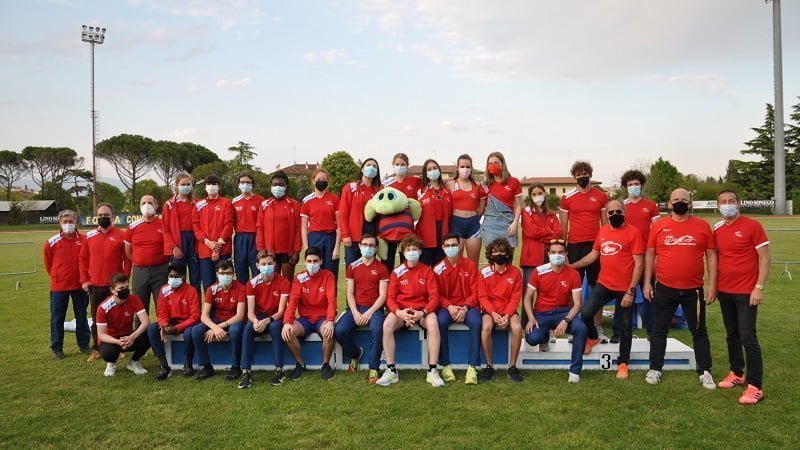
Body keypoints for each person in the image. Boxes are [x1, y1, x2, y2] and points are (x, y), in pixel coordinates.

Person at [644, 188, 717, 389]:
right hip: (665, 288)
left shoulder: (702, 226)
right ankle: (655, 368)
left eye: (683, 199)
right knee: (659, 330)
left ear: (690, 203)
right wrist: (647, 282)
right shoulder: (659, 226)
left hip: (694, 290)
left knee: (699, 330)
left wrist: (713, 284)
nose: (679, 203)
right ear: (669, 203)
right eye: (675, 199)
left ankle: (705, 371)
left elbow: (711, 255)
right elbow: (650, 254)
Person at [572, 200, 644, 379]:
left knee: (625, 327)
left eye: (618, 211)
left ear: (624, 212)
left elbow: (639, 264)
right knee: (586, 313)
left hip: (625, 288)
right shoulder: (603, 231)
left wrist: (631, 291)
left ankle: (623, 363)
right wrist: (572, 266)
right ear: (606, 214)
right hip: (604, 284)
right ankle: (593, 337)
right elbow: (593, 255)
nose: (614, 215)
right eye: (611, 212)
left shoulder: (634, 232)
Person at [713, 189, 770, 404]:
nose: (727, 204)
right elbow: (716, 259)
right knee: (732, 334)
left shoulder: (752, 226)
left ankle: (755, 386)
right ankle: (737, 372)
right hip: (725, 291)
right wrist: (714, 287)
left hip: (747, 292)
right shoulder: (717, 228)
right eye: (723, 201)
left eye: (731, 201)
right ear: (718, 205)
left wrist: (759, 287)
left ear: (738, 203)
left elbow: (765, 259)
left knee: (748, 337)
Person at [376, 234, 445, 388]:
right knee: (387, 325)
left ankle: (432, 371)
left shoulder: (427, 271)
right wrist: (399, 312)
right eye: (408, 249)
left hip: (422, 311)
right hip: (402, 311)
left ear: (420, 251)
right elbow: (390, 298)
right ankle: (391, 371)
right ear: (403, 252)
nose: (411, 252)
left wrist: (423, 312)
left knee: (433, 324)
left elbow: (434, 297)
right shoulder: (397, 272)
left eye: (414, 249)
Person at [523, 239, 587, 383]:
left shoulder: (573, 274)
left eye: (560, 252)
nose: (556, 255)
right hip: (541, 313)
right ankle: (545, 336)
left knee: (581, 329)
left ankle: (575, 371)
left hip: (563, 312)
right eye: (553, 252)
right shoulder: (539, 271)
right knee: (532, 339)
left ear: (566, 254)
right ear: (548, 254)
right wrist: (531, 318)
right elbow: (527, 297)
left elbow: (578, 304)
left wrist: (566, 321)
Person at [559, 161, 608, 341]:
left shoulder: (601, 196)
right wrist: (563, 249)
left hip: (595, 245)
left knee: (598, 287)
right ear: (574, 177)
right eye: (578, 174)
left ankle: (598, 326)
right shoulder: (567, 197)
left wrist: (604, 245)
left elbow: (605, 223)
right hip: (574, 246)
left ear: (590, 174)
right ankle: (575, 325)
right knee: (574, 287)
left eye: (585, 173)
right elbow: (564, 225)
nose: (582, 177)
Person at [334, 234, 389, 383]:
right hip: (355, 308)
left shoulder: (381, 268)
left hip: (374, 309)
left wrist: (369, 313)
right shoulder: (352, 266)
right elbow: (349, 293)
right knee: (339, 330)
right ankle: (355, 353)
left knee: (377, 330)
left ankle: (374, 368)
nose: (368, 248)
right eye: (365, 245)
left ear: (376, 248)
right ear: (359, 246)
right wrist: (355, 312)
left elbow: (383, 296)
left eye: (371, 245)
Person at [80, 202, 131, 361]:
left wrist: (125, 279)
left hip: (114, 287)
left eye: (106, 215)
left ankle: (120, 348)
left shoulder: (121, 235)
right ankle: (98, 348)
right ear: (97, 217)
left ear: (112, 216)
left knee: (117, 318)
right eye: (100, 215)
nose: (103, 217)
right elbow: (83, 259)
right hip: (95, 285)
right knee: (96, 318)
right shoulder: (89, 236)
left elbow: (127, 259)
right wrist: (85, 280)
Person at [281, 246, 337, 381]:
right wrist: (287, 322)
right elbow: (293, 302)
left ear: (321, 261)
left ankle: (326, 364)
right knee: (288, 332)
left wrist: (330, 320)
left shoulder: (328, 276)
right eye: (309, 261)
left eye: (315, 261)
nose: (312, 264)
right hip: (305, 319)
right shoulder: (299, 277)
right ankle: (300, 364)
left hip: (322, 318)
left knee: (328, 332)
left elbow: (331, 300)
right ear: (305, 262)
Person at [240, 251, 291, 389]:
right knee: (248, 329)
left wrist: (268, 320)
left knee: (274, 328)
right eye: (263, 264)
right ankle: (245, 371)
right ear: (257, 265)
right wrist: (255, 321)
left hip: (275, 317)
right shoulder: (251, 284)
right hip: (259, 317)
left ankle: (279, 370)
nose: (267, 266)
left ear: (275, 264)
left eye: (269, 263)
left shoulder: (283, 282)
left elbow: (281, 311)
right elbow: (250, 313)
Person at [433, 233, 481, 384]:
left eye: (454, 245)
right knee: (440, 322)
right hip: (447, 307)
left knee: (476, 322)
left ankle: (472, 367)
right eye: (447, 246)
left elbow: (476, 291)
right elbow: (435, 294)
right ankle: (445, 365)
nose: (451, 248)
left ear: (460, 246)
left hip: (468, 306)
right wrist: (449, 306)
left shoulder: (470, 265)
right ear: (443, 247)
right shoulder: (438, 268)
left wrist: (465, 307)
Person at [44, 209, 91, 359]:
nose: (68, 224)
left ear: (76, 222)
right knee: (57, 318)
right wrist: (58, 276)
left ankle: (84, 345)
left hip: (80, 285)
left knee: (81, 316)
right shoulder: (51, 242)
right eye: (65, 222)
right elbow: (48, 264)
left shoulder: (85, 239)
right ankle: (57, 349)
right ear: (60, 223)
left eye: (71, 221)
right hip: (59, 286)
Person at [477, 238, 525, 383]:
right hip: (490, 311)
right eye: (495, 252)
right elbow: (483, 297)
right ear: (490, 254)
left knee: (517, 328)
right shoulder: (483, 272)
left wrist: (507, 315)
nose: (499, 255)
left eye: (502, 252)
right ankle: (489, 366)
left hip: (508, 310)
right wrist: (493, 313)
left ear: (508, 254)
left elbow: (515, 298)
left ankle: (512, 366)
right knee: (486, 328)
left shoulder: (516, 273)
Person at [620, 169, 660, 340]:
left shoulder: (651, 206)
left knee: (648, 291)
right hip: (626, 255)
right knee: (623, 291)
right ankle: (621, 330)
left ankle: (651, 330)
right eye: (630, 184)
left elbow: (657, 230)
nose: (633, 187)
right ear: (626, 187)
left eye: (636, 184)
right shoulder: (621, 206)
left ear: (641, 185)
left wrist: (656, 254)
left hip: (645, 255)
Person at [191, 260, 246, 381]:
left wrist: (219, 327)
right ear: (217, 274)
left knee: (235, 331)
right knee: (196, 331)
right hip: (216, 320)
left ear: (233, 274)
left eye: (229, 273)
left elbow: (240, 316)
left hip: (234, 321)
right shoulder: (212, 289)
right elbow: (204, 316)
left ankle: (236, 367)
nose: (225, 276)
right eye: (222, 273)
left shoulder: (241, 288)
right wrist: (214, 327)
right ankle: (207, 366)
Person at [147, 264, 200, 381]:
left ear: (183, 277)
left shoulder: (191, 291)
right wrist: (164, 325)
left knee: (189, 333)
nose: (173, 279)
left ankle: (188, 363)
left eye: (176, 276)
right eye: (170, 276)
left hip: (187, 322)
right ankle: (164, 366)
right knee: (152, 329)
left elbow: (195, 316)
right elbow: (161, 312)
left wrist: (176, 328)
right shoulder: (164, 290)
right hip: (170, 321)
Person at [96, 273, 150, 377]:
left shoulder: (134, 299)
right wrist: (118, 342)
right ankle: (111, 363)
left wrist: (132, 337)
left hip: (129, 335)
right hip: (111, 339)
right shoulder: (103, 308)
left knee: (151, 332)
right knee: (108, 353)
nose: (125, 290)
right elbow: (101, 334)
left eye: (126, 287)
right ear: (112, 290)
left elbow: (145, 321)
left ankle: (134, 361)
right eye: (121, 288)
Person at [125, 195, 169, 313]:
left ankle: (163, 325)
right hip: (140, 271)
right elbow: (128, 250)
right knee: (140, 306)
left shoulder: (164, 224)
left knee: (162, 305)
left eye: (150, 203)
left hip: (160, 270)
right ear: (140, 206)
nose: (147, 205)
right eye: (143, 203)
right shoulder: (132, 227)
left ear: (156, 205)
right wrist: (139, 260)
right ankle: (140, 326)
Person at [256, 171, 302, 282]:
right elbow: (260, 227)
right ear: (271, 186)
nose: (278, 187)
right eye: (275, 184)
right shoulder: (265, 205)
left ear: (286, 186)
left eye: (281, 185)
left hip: (288, 252)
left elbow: (298, 228)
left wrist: (296, 251)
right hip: (270, 252)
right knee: (272, 283)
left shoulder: (294, 204)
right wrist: (261, 249)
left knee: (287, 282)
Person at [192, 174, 234, 292]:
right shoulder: (198, 205)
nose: (211, 186)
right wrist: (207, 241)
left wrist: (218, 246)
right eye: (209, 184)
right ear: (205, 187)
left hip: (223, 250)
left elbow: (229, 224)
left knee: (224, 283)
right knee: (208, 284)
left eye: (214, 184)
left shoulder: (226, 203)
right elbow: (195, 226)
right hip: (205, 251)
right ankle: (210, 305)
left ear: (219, 186)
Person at [380, 153, 422, 268]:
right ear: (393, 165)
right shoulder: (386, 184)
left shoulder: (415, 181)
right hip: (389, 230)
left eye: (403, 164)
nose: (400, 167)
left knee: (406, 261)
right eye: (397, 164)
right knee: (387, 263)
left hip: (406, 229)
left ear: (407, 165)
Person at [162, 172, 201, 295]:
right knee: (177, 278)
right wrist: (173, 247)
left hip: (194, 241)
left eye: (188, 184)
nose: (186, 187)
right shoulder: (169, 204)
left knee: (195, 278)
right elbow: (165, 229)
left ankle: (196, 305)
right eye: (183, 184)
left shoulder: (197, 203)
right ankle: (178, 305)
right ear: (177, 186)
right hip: (178, 241)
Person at [301, 168, 341, 280]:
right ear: (313, 180)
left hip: (330, 238)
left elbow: (340, 225)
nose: (321, 181)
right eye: (319, 179)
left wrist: (337, 247)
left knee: (331, 272)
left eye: (324, 179)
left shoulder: (334, 198)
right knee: (315, 271)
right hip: (315, 237)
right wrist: (306, 248)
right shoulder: (306, 200)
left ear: (328, 181)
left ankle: (331, 291)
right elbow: (303, 227)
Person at [339, 158, 381, 265]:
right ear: (362, 169)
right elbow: (343, 213)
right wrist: (345, 234)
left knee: (369, 265)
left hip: (371, 233)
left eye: (374, 166)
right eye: (368, 165)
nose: (371, 168)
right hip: (353, 235)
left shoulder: (379, 190)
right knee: (352, 266)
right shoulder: (350, 187)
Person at [446, 154, 486, 265]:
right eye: (462, 166)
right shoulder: (450, 184)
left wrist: (477, 217)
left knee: (473, 264)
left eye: (468, 167)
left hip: (473, 225)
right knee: (455, 263)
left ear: (471, 169)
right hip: (456, 225)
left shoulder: (477, 185)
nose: (465, 169)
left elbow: (482, 204)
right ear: (457, 168)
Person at [520, 182, 561, 284]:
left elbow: (558, 234)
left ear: (544, 194)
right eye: (534, 194)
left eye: (539, 193)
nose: (537, 196)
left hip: (549, 258)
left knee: (547, 289)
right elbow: (532, 232)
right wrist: (549, 231)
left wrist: (541, 237)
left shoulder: (552, 214)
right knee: (529, 290)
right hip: (531, 258)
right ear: (530, 196)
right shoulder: (526, 212)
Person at [481, 152, 523, 253]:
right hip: (490, 225)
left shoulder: (514, 182)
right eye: (490, 163)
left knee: (508, 256)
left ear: (502, 164)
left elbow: (518, 206)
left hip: (508, 224)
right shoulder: (485, 184)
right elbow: (481, 207)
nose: (493, 165)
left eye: (496, 163)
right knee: (492, 257)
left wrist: (515, 223)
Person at [416, 159, 452, 267]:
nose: (432, 171)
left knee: (439, 268)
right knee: (424, 268)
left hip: (443, 234)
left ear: (439, 170)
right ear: (425, 173)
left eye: (435, 168)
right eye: (429, 169)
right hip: (425, 235)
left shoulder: (447, 191)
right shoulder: (420, 191)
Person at [232, 171, 265, 284]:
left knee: (257, 270)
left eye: (248, 182)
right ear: (238, 184)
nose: (245, 184)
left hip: (255, 237)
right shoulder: (234, 202)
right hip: (240, 238)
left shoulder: (260, 200)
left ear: (252, 184)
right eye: (242, 182)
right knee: (241, 270)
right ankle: (243, 295)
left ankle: (257, 294)